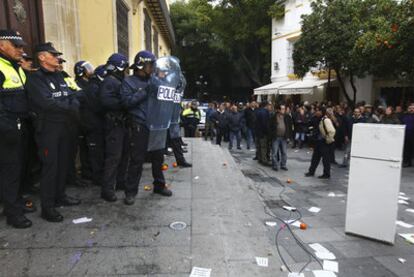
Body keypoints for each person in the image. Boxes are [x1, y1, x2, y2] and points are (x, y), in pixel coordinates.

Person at [27, 42, 81, 222]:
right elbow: (46, 103)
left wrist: (67, 106)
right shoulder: (35, 79)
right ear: (42, 57)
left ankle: (60, 196)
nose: (57, 58)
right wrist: (68, 106)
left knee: (63, 163)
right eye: (53, 54)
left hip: (64, 126)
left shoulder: (59, 75)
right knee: (50, 167)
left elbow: (73, 95)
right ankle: (47, 207)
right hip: (48, 129)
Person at [121, 51, 174, 205]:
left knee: (158, 157)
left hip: (156, 124)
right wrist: (145, 91)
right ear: (141, 65)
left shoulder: (155, 80)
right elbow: (127, 102)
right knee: (137, 159)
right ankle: (130, 192)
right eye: (150, 65)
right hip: (140, 124)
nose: (153, 68)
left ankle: (159, 185)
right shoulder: (128, 82)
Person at [0, 30, 33, 228]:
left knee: (19, 168)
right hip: (6, 130)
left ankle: (16, 202)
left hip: (20, 126)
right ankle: (13, 213)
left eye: (21, 46)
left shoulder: (16, 67)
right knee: (10, 171)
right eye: (16, 46)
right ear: (2, 45)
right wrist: (7, 127)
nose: (21, 50)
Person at [99, 53, 130, 202]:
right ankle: (107, 189)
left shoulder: (116, 81)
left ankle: (120, 182)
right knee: (114, 157)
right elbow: (105, 102)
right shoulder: (110, 82)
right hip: (114, 124)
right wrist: (125, 103)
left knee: (123, 155)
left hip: (121, 123)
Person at [81, 65, 107, 187]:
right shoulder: (92, 88)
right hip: (92, 125)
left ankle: (99, 175)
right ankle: (97, 177)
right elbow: (97, 107)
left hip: (96, 124)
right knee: (96, 152)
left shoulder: (95, 86)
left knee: (99, 151)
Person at [305, 107, 336, 179]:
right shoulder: (316, 118)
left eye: (317, 111)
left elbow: (332, 131)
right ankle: (311, 171)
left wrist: (328, 139)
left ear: (322, 112)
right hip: (318, 141)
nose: (316, 112)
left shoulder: (325, 120)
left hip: (324, 142)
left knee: (326, 159)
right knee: (315, 158)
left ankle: (326, 174)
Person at [269, 104, 293, 171]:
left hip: (284, 137)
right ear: (279, 110)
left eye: (284, 109)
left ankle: (283, 165)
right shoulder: (273, 117)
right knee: (274, 152)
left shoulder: (287, 117)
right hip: (276, 137)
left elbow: (290, 128)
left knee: (284, 152)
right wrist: (271, 135)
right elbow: (270, 127)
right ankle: (275, 165)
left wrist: (289, 137)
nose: (283, 110)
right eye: (282, 109)